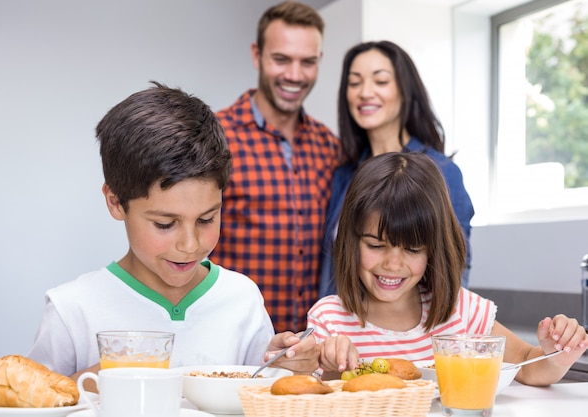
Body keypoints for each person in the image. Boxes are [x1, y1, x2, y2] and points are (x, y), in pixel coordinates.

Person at [27, 82, 353, 382]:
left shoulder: (241, 299)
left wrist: (288, 368)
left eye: (207, 219)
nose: (189, 244)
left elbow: (262, 394)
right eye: (164, 224)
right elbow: (31, 405)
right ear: (115, 202)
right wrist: (95, 381)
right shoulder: (72, 310)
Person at [308, 152, 588, 385]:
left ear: (433, 250)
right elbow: (317, 395)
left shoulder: (461, 311)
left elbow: (527, 365)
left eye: (413, 249)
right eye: (375, 246)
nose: (393, 264)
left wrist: (556, 355)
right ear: (351, 242)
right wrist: (334, 365)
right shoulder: (329, 319)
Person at [210, 1, 341, 334]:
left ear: (319, 62)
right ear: (258, 55)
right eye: (281, 59)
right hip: (233, 341)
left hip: (311, 348)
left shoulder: (329, 146)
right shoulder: (215, 137)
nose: (294, 75)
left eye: (307, 62)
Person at [318, 40, 474, 299]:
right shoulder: (344, 176)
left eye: (380, 81)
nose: (365, 92)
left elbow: (454, 273)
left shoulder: (442, 172)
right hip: (342, 331)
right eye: (355, 83)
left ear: (405, 90)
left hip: (410, 336)